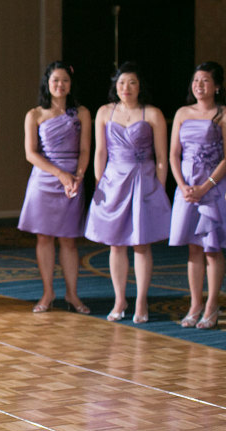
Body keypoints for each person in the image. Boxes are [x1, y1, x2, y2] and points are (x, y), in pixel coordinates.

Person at [85, 62, 171, 323]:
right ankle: (120, 299)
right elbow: (100, 153)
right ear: (115, 86)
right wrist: (100, 183)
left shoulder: (153, 114)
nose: (127, 88)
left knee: (141, 244)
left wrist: (159, 188)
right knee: (116, 244)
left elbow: (162, 157)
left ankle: (142, 301)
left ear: (140, 86)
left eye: (132, 82)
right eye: (122, 83)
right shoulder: (103, 112)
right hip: (113, 181)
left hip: (143, 180)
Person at [18, 61, 91, 314]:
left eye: (65, 81)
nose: (60, 85)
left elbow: (85, 150)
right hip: (45, 179)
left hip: (72, 179)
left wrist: (77, 177)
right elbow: (31, 153)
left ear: (71, 85)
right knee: (44, 237)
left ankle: (72, 294)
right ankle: (48, 292)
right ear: (47, 85)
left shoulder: (81, 113)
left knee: (69, 240)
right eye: (55, 81)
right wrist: (60, 174)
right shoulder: (35, 114)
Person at [169, 61, 226, 329]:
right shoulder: (182, 112)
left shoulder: (223, 113)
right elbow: (174, 154)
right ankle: (195, 304)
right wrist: (182, 185)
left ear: (217, 86)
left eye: (205, 81)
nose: (199, 86)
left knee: (212, 249)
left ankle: (212, 305)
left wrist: (206, 186)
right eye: (196, 81)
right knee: (193, 248)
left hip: (212, 188)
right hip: (187, 188)